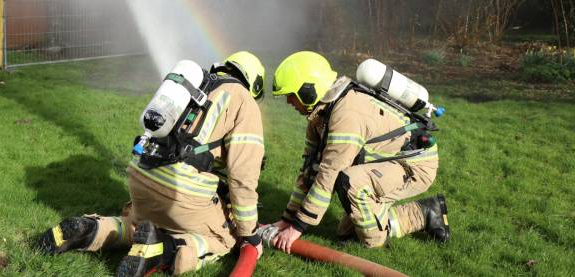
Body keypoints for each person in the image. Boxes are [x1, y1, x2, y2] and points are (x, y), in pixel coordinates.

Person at [37, 51, 266, 276]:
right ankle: (163, 251)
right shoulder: (244, 101)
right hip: (181, 192)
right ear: (254, 86)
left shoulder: (199, 86)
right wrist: (250, 234)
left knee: (136, 225)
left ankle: (92, 229)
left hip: (141, 177)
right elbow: (242, 177)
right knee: (224, 239)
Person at [269, 51, 449, 251]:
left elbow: (328, 175)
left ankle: (425, 213)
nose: (288, 102)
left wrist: (297, 228)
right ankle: (401, 213)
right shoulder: (319, 116)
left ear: (308, 91)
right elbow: (309, 171)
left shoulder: (346, 116)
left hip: (415, 166)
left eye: (290, 96)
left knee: (354, 194)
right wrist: (287, 219)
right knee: (347, 233)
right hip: (387, 163)